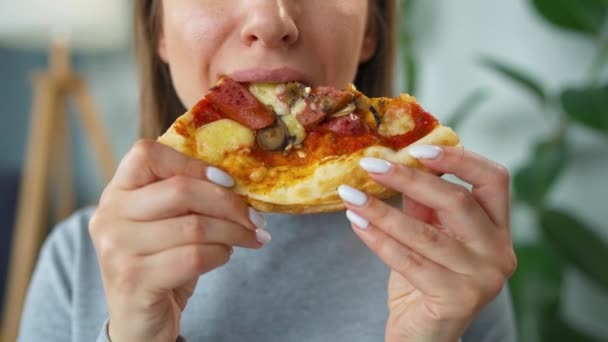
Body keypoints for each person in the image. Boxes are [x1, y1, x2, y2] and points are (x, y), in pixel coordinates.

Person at [18, 1, 517, 341]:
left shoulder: (445, 255)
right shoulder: (78, 260)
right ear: (159, 31)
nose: (269, 18)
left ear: (369, 29)